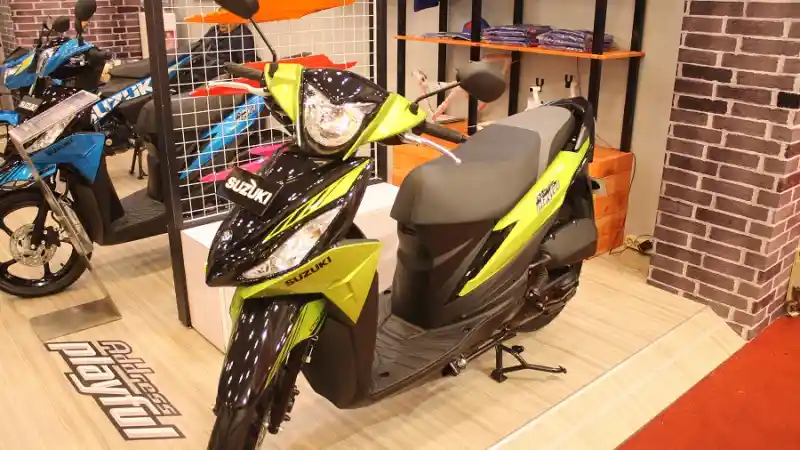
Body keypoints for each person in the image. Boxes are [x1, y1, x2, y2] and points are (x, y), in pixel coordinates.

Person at [175, 23, 258, 88]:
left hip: (214, 81)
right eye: (220, 18)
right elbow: (199, 45)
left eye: (227, 19)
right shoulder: (215, 29)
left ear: (238, 20)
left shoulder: (243, 36)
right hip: (194, 73)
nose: (222, 22)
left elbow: (247, 65)